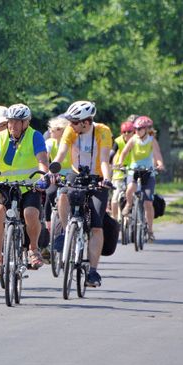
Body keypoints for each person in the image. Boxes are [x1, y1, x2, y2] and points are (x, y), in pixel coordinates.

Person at [0, 103, 49, 277]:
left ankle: (33, 249)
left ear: (26, 122)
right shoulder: (1, 137)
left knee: (30, 214)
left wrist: (43, 176)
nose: (13, 126)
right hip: (3, 185)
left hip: (30, 186)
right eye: (10, 122)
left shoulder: (35, 136)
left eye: (17, 122)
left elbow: (42, 160)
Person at [52, 100, 113, 288]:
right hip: (76, 174)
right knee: (63, 193)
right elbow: (61, 153)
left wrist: (107, 179)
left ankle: (93, 272)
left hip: (98, 177)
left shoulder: (103, 131)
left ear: (86, 122)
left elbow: (104, 159)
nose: (70, 125)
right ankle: (65, 230)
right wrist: (53, 170)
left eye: (75, 122)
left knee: (96, 225)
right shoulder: (71, 131)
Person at [117, 115, 165, 241]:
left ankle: (149, 230)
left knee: (148, 202)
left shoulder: (151, 140)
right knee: (130, 188)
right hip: (134, 169)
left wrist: (159, 164)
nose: (136, 131)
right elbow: (124, 152)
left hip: (148, 171)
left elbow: (157, 154)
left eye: (139, 129)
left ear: (146, 129)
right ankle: (128, 204)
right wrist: (120, 163)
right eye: (136, 129)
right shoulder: (133, 139)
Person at [44, 115, 71, 232]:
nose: (50, 131)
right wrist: (47, 173)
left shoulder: (71, 142)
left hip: (71, 174)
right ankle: (48, 223)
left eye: (53, 130)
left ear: (61, 130)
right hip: (55, 173)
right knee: (50, 193)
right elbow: (44, 160)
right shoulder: (50, 143)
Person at [109, 121, 135, 219]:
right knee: (115, 198)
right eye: (124, 132)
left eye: (129, 131)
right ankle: (115, 219)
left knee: (134, 192)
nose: (126, 134)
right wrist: (109, 162)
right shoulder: (118, 141)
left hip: (133, 169)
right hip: (119, 170)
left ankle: (132, 212)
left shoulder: (136, 141)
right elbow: (112, 152)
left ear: (133, 132)